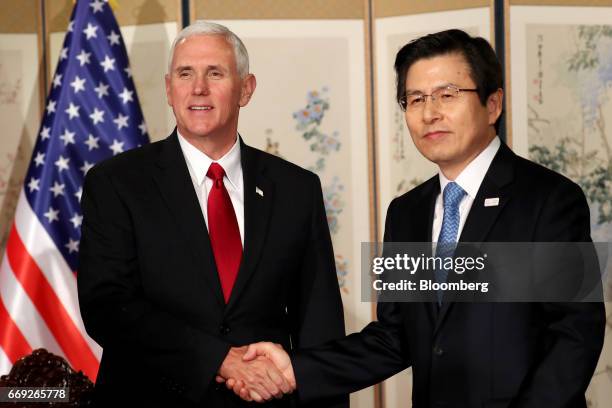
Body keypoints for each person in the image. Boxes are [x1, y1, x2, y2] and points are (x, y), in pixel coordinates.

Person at [230, 29, 606, 407]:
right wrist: (295, 368)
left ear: (493, 104)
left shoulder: (549, 199)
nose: (430, 113)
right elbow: (395, 337)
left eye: (448, 95)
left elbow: (575, 334)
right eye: (415, 99)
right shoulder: (407, 212)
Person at [77, 21, 348, 408]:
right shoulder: (117, 183)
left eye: (215, 73)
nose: (198, 88)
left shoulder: (297, 189)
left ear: (246, 89)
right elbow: (107, 306)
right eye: (185, 74)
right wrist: (220, 359)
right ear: (169, 89)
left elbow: (319, 323)